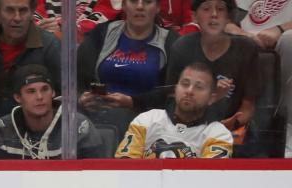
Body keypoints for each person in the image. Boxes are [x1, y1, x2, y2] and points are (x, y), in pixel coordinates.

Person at [77, 0, 177, 151]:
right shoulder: (101, 34)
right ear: (123, 5)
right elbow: (75, 78)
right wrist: (82, 98)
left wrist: (133, 102)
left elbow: (172, 93)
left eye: (148, 2)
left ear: (157, 8)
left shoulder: (171, 43)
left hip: (148, 124)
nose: (140, 7)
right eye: (133, 1)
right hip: (98, 120)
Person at [166, 0, 258, 154]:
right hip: (189, 126)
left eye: (221, 9)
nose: (214, 15)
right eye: (206, 9)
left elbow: (248, 105)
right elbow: (170, 98)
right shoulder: (182, 47)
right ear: (194, 16)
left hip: (234, 129)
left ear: (229, 17)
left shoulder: (246, 49)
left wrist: (231, 124)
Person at [0, 0, 62, 125]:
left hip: (35, 130)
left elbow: (61, 97)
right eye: (10, 10)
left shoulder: (50, 46)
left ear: (31, 13)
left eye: (23, 10)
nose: (17, 18)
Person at [115, 62, 234, 157]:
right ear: (175, 90)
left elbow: (208, 179)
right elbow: (125, 167)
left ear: (211, 99)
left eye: (199, 87)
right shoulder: (147, 120)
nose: (189, 91)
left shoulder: (218, 134)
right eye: (185, 84)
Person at [0, 64, 105, 158]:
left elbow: (95, 175)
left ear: (53, 93)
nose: (39, 97)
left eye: (45, 89)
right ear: (18, 97)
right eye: (31, 91)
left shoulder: (78, 126)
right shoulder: (3, 128)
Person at [225, 0, 292, 156]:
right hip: (246, 43)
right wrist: (245, 35)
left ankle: (287, 129)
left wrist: (280, 29)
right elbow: (221, 18)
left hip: (284, 44)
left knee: (290, 41)